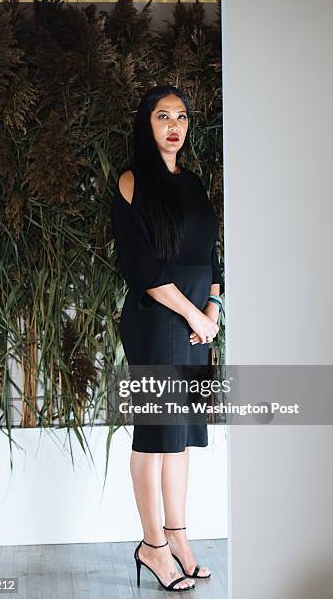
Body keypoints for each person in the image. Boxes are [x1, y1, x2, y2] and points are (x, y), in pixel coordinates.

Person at [110, 85, 223, 592]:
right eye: (162, 116)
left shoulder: (195, 184)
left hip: (199, 323)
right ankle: (152, 545)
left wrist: (214, 309)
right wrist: (193, 317)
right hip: (158, 324)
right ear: (146, 124)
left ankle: (177, 537)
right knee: (156, 436)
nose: (174, 125)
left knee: (180, 441)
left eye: (181, 116)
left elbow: (211, 256)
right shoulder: (132, 181)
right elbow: (144, 269)